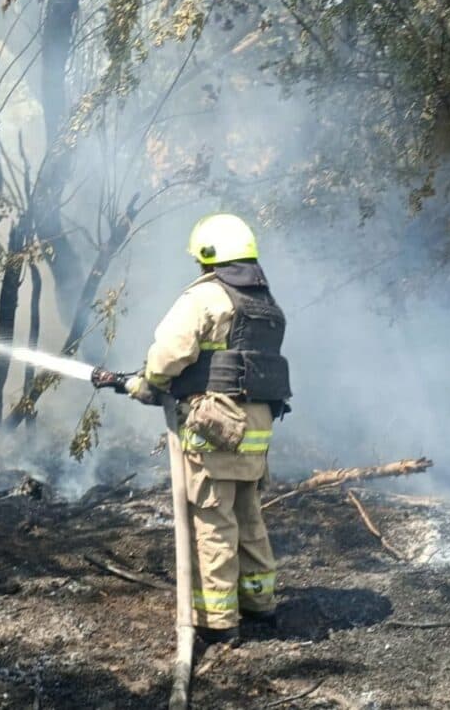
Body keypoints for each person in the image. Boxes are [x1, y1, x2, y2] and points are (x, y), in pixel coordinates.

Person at [126, 213, 291, 645]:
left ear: (208, 258)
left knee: (213, 522)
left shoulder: (206, 298)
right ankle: (261, 607)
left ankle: (220, 623)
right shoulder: (264, 304)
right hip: (255, 427)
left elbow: (169, 353)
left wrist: (150, 384)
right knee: (248, 516)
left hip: (215, 425)